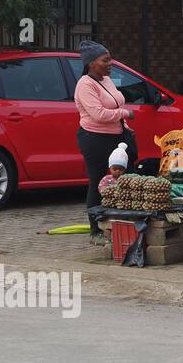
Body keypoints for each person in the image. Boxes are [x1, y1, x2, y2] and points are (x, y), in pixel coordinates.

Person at [74, 40, 137, 240]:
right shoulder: (85, 84)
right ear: (92, 63)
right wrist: (125, 113)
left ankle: (122, 223)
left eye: (110, 59)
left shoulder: (106, 79)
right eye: (106, 60)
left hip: (116, 137)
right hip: (94, 139)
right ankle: (96, 229)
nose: (111, 63)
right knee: (98, 181)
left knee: (125, 178)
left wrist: (124, 126)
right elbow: (98, 114)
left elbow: (115, 102)